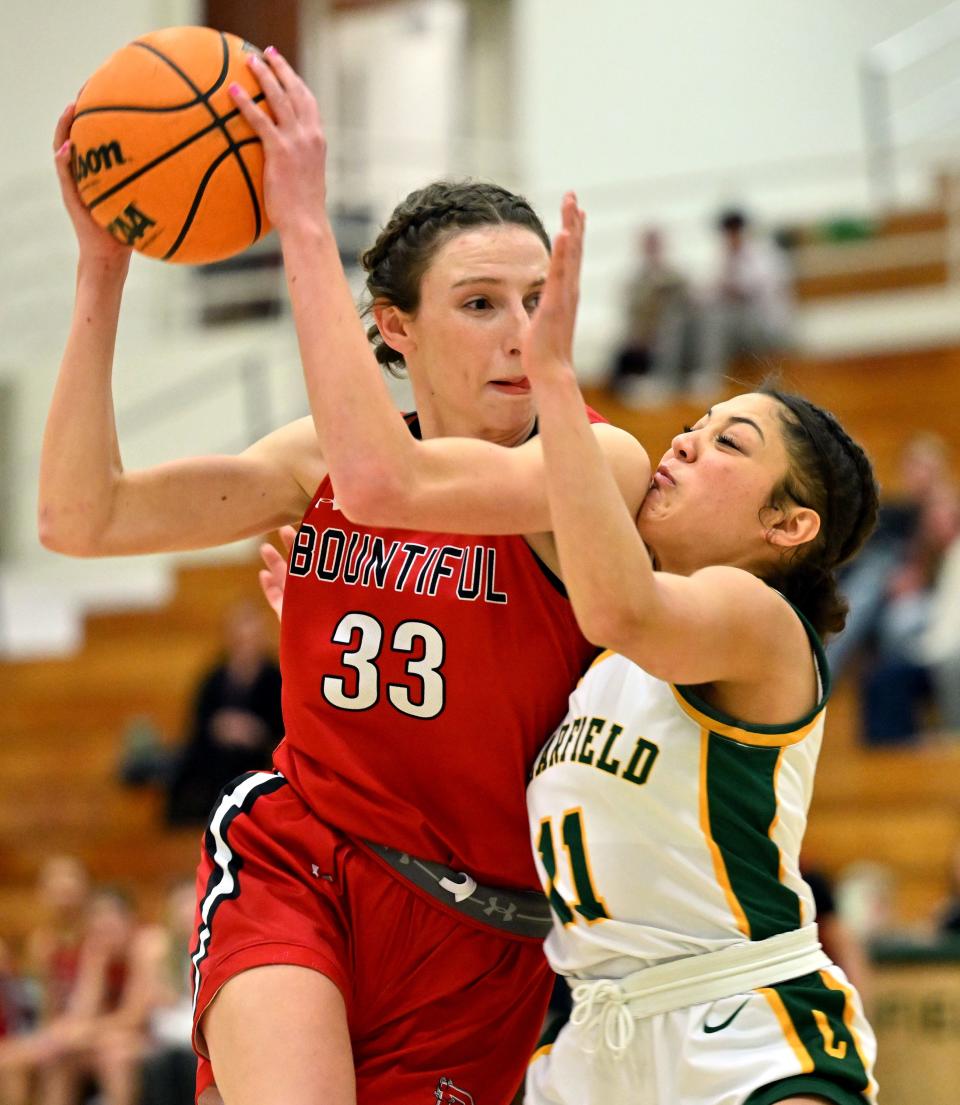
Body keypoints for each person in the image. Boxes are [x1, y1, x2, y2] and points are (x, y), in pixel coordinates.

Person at [42, 52, 648, 1105]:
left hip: (482, 939)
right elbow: (79, 516)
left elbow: (388, 485)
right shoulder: (315, 464)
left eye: (539, 299)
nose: (521, 333)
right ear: (394, 326)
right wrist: (103, 269)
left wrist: (304, 219)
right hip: (305, 857)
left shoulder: (594, 467)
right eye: (480, 302)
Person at [253, 162, 881, 1099]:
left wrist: (549, 374)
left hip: (740, 1021)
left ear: (790, 526)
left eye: (727, 445)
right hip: (594, 1035)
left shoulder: (758, 618)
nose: (684, 442)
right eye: (698, 425)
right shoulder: (598, 661)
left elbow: (624, 606)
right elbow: (529, 638)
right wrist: (353, 605)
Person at [165, 601, 284, 826]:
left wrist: (256, 731)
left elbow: (284, 730)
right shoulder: (214, 679)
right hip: (215, 760)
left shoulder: (276, 679)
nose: (246, 643)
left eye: (251, 636)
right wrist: (220, 727)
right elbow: (198, 725)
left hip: (260, 759)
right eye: (240, 638)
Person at [691, 208, 794, 397]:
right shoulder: (721, 257)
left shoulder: (765, 254)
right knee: (710, 316)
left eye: (734, 231)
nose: (731, 237)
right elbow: (706, 294)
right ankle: (704, 375)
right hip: (738, 327)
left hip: (765, 325)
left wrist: (731, 285)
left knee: (718, 319)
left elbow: (764, 292)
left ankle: (710, 375)